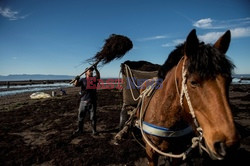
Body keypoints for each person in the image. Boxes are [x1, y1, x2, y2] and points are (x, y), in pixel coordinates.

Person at [73, 65, 100, 135]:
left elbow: (98, 76)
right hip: (83, 101)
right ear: (86, 72)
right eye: (90, 71)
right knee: (81, 117)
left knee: (93, 117)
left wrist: (96, 69)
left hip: (92, 101)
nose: (91, 72)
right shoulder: (82, 80)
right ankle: (80, 130)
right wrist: (77, 79)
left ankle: (94, 130)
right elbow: (75, 85)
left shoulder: (94, 79)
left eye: (92, 71)